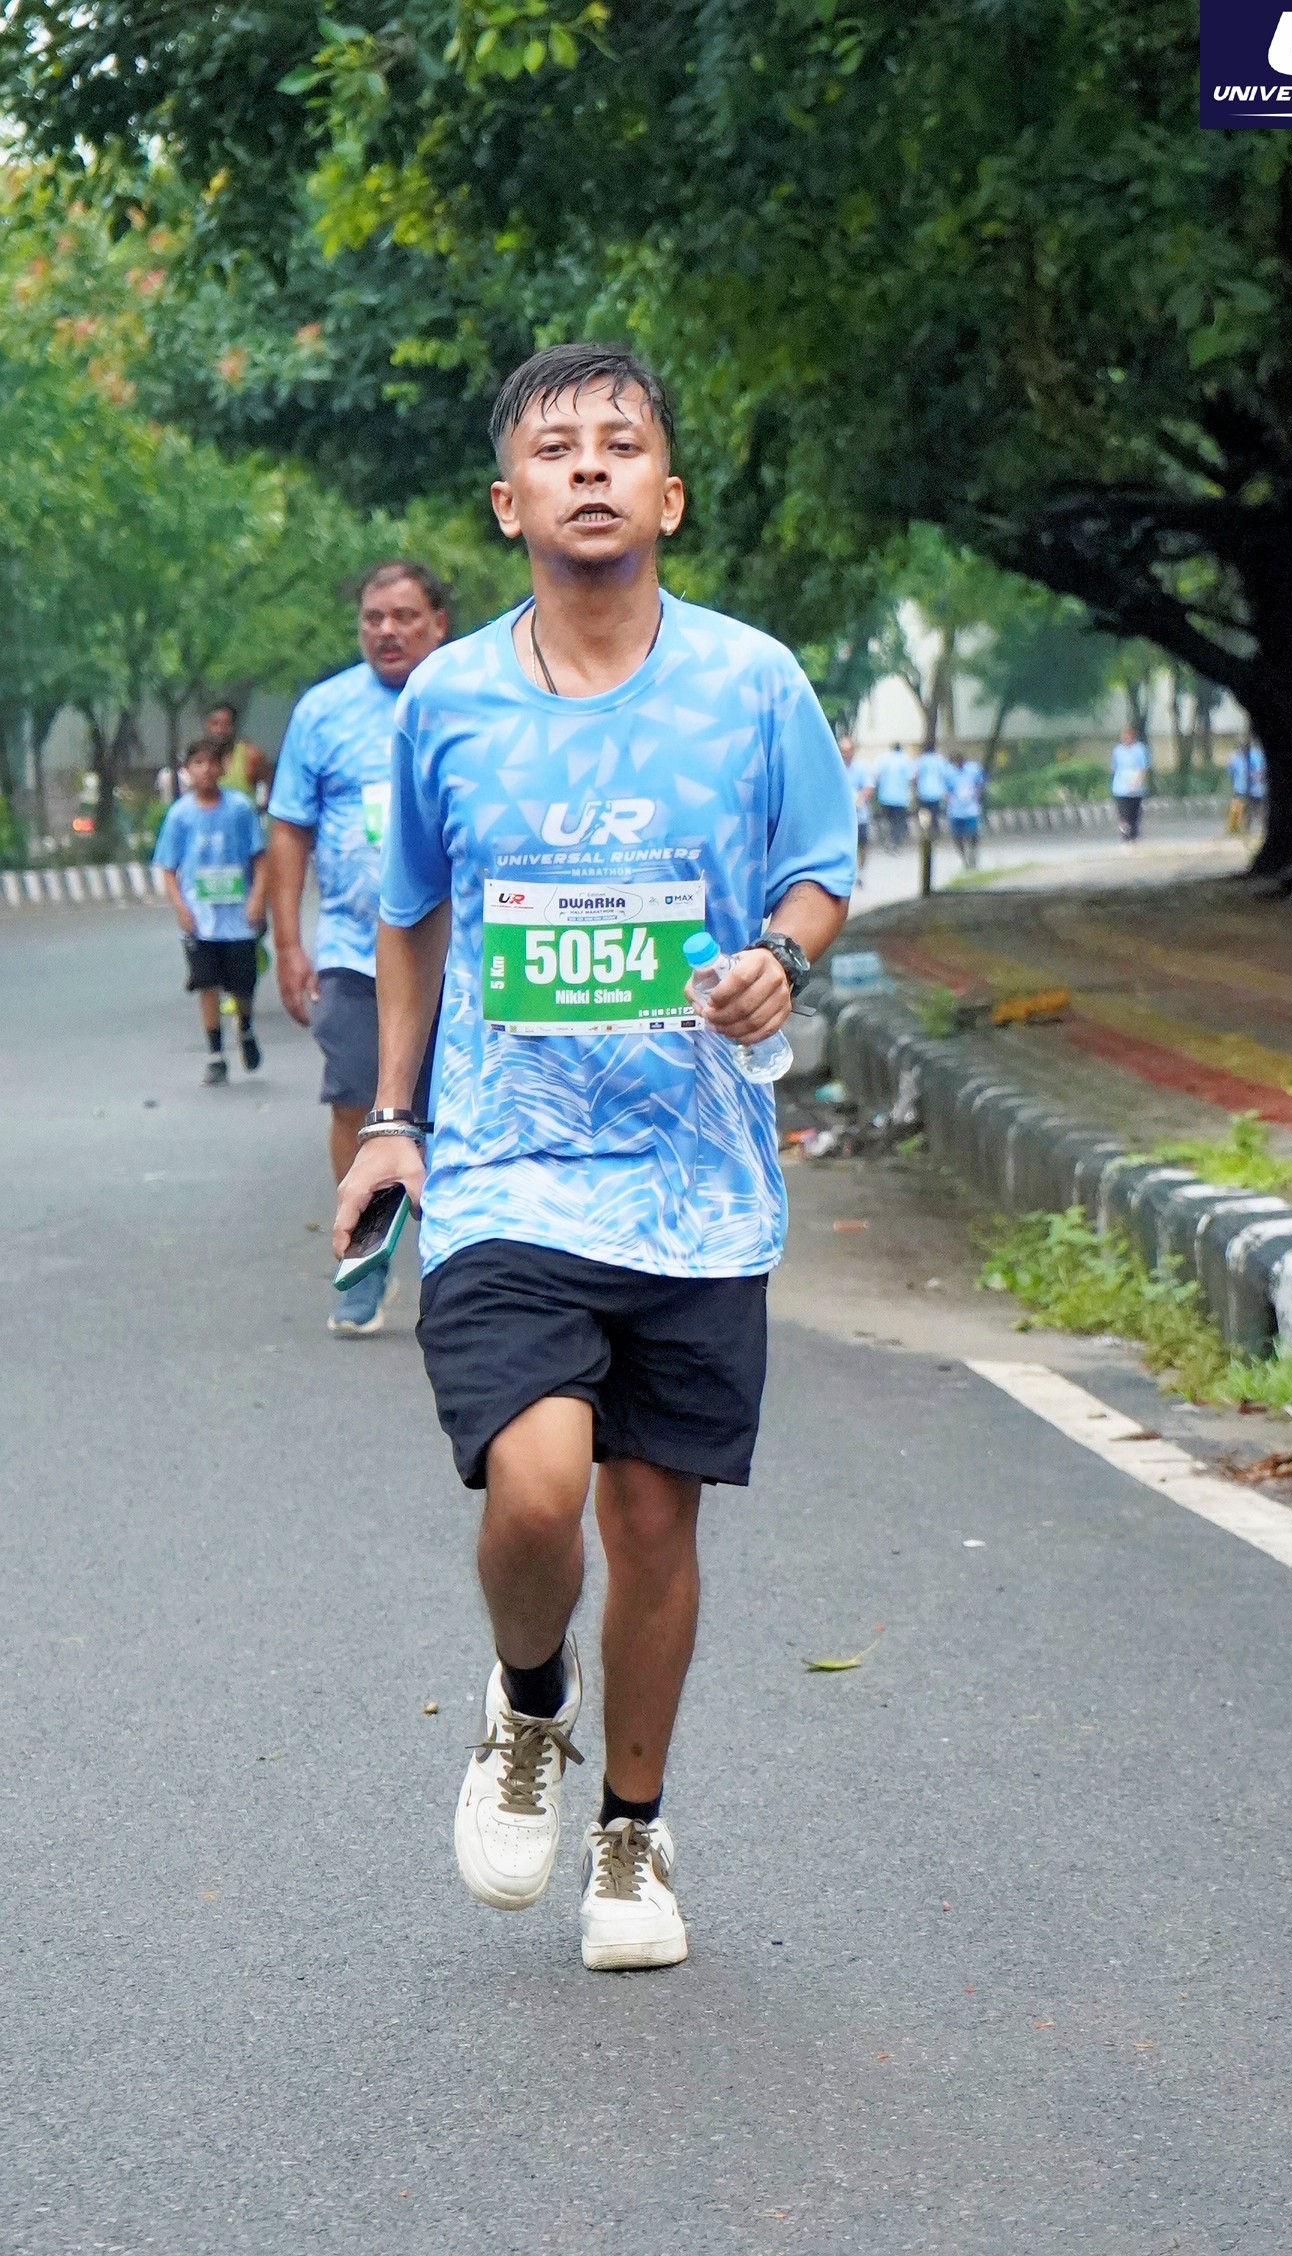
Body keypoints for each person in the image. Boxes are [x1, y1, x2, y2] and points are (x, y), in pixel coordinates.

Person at [333, 342, 855, 1972]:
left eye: (621, 445)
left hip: (699, 1186)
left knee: (650, 1522)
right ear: (509, 505)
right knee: (539, 1485)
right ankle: (527, 1701)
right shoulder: (448, 703)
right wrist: (394, 1121)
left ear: (668, 496)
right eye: (555, 450)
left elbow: (821, 870)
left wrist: (782, 956)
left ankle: (631, 1836)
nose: (589, 468)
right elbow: (410, 918)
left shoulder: (754, 685)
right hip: (510, 1174)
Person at [267, 562, 451, 1336]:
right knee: (356, 1100)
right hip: (353, 949)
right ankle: (365, 1261)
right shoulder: (323, 710)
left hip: (464, 954)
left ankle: (458, 1270)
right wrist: (287, 942)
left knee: (456, 1109)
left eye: (404, 616)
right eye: (373, 618)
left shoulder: (469, 694)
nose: (387, 631)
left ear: (438, 623)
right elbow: (289, 826)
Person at [152, 738, 266, 1085]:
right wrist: (181, 908)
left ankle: (245, 1027)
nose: (205, 770)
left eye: (211, 762)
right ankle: (216, 1054)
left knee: (242, 986)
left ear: (222, 768)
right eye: (197, 763)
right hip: (200, 919)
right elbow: (168, 868)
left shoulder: (240, 809)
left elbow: (260, 860)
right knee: (207, 984)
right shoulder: (180, 815)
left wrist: (257, 899)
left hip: (238, 917)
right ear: (188, 771)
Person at [203, 702, 274, 810]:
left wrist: (261, 807)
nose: (220, 730)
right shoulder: (199, 758)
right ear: (207, 725)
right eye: (215, 724)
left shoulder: (250, 755)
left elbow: (269, 783)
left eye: (226, 724)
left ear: (234, 726)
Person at [1110, 722, 1151, 843]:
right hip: (1121, 787)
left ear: (1133, 736)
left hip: (1136, 788)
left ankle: (1134, 835)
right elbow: (1114, 767)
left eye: (1127, 736)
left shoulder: (1140, 749)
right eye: (1123, 736)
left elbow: (1143, 768)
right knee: (1123, 813)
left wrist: (1137, 783)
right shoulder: (1118, 750)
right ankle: (1125, 835)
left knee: (1134, 813)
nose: (1125, 739)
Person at [945, 751, 986, 870]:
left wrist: (978, 794)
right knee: (957, 836)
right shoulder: (949, 773)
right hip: (956, 809)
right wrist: (948, 798)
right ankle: (964, 859)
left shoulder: (974, 770)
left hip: (971, 808)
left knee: (973, 833)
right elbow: (946, 789)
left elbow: (981, 783)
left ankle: (972, 854)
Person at [840, 733, 874, 879]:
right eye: (842, 750)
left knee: (862, 845)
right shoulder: (837, 767)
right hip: (842, 817)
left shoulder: (862, 768)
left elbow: (869, 787)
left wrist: (860, 800)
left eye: (847, 750)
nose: (844, 754)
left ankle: (861, 871)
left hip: (860, 815)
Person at [876, 741, 914, 848]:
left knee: (888, 819)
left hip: (885, 796)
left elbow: (877, 776)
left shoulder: (884, 759)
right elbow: (911, 777)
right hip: (900, 798)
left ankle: (887, 839)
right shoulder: (906, 760)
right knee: (898, 820)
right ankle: (895, 841)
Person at [915, 744, 948, 840]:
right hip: (937, 792)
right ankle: (935, 831)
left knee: (924, 813)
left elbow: (916, 775)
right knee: (935, 813)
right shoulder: (940, 760)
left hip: (923, 791)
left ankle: (926, 831)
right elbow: (944, 775)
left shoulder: (921, 760)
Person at [1226, 741, 1251, 835]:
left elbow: (1231, 773)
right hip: (1242, 787)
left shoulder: (1238, 759)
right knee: (1239, 807)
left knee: (1238, 807)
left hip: (1242, 787)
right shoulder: (1239, 760)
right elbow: (1232, 773)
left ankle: (1235, 827)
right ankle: (1237, 828)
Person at [1247, 738, 1268, 830]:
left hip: (1261, 788)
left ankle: (1262, 825)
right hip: (1251, 788)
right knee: (1251, 808)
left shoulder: (1259, 754)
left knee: (1261, 808)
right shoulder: (1251, 754)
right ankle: (1248, 826)